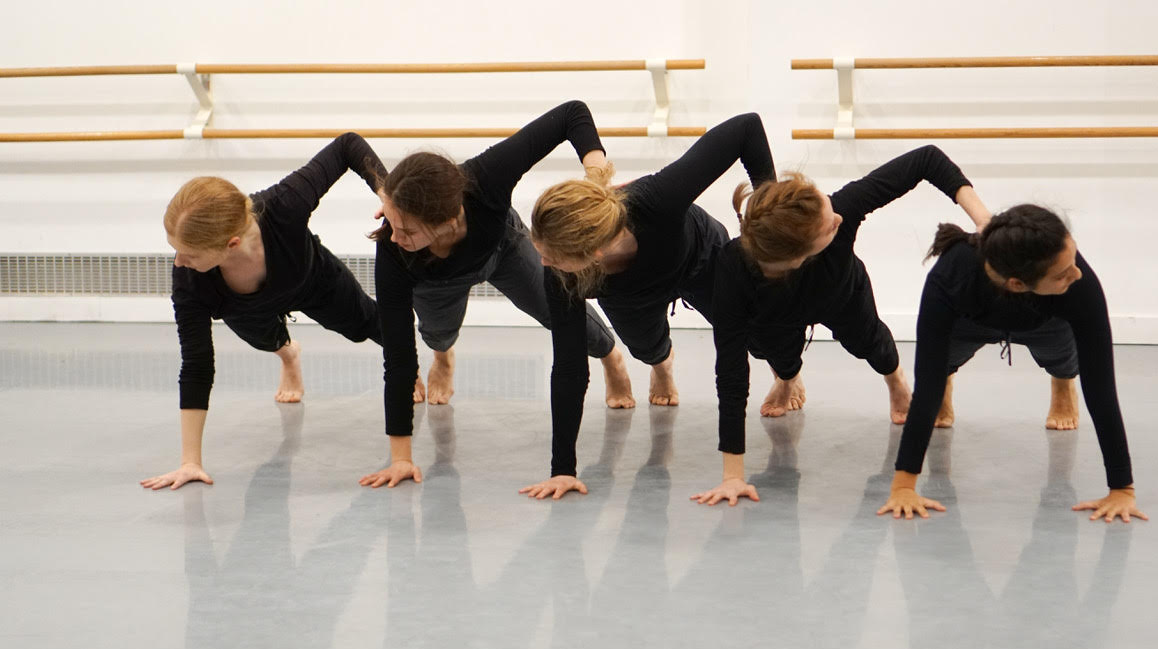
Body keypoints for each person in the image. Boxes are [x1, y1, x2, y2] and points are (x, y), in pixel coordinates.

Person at [693, 145, 990, 506]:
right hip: (773, 314)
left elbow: (926, 160)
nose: (837, 220)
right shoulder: (732, 270)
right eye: (828, 226)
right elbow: (730, 370)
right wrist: (733, 476)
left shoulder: (838, 210)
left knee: (870, 344)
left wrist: (984, 220)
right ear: (798, 256)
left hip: (840, 292)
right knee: (775, 355)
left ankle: (894, 380)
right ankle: (787, 378)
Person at [360, 101, 627, 489]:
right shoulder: (395, 249)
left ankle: (611, 357)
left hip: (502, 248)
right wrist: (401, 458)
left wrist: (595, 177)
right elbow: (398, 357)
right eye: (391, 222)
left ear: (448, 220)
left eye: (407, 230)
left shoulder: (485, 177)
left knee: (559, 315)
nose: (394, 236)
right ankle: (444, 355)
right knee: (436, 333)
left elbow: (572, 114)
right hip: (436, 280)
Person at [519, 113, 776, 499]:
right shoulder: (564, 273)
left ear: (595, 252)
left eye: (553, 257)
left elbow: (746, 129)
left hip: (698, 257)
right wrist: (562, 469)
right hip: (628, 294)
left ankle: (786, 373)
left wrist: (768, 211)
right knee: (646, 349)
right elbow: (570, 364)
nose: (543, 264)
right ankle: (662, 365)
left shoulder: (657, 199)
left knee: (760, 340)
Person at [142, 132, 386, 491]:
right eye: (176, 250)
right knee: (265, 339)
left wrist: (388, 193)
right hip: (247, 311)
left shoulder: (284, 206)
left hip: (311, 279)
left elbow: (347, 145)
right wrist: (190, 461)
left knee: (366, 323)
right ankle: (289, 355)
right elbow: (196, 363)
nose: (180, 262)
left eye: (191, 254)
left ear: (232, 244)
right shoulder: (190, 280)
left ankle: (418, 364)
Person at [877, 204, 1147, 523]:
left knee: (1062, 355)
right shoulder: (952, 275)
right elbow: (926, 385)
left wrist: (1122, 490)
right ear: (1017, 283)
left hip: (1045, 318)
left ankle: (1061, 380)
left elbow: (1101, 389)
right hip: (970, 318)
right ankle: (952, 379)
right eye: (1063, 273)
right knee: (941, 368)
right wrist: (904, 486)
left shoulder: (1077, 283)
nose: (1077, 273)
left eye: (1074, 259)